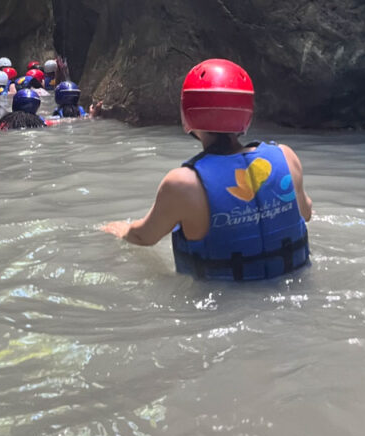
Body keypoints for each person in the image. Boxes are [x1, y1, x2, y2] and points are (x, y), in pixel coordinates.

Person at [101, 59, 312, 281]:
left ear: (187, 114)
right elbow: (306, 213)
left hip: (224, 307)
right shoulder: (286, 157)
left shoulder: (183, 184)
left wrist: (120, 230)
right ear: (247, 112)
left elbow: (144, 237)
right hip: (295, 286)